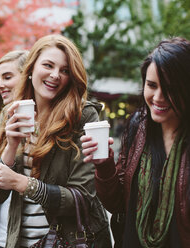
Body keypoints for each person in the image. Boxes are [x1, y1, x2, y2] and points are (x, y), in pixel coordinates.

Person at [0, 34, 112, 248]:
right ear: (31, 69)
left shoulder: (82, 115)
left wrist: (21, 183)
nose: (55, 75)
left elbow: (82, 197)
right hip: (20, 242)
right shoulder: (10, 114)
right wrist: (11, 146)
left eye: (65, 70)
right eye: (48, 65)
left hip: (68, 241)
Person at [80, 37, 190, 247]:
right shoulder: (138, 127)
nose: (158, 97)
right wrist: (104, 166)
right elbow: (119, 205)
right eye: (151, 85)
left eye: (170, 89)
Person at [0, 50, 29, 248]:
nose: (0, 85)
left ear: (28, 76)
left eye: (7, 77)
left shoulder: (53, 118)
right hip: (1, 239)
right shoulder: (3, 119)